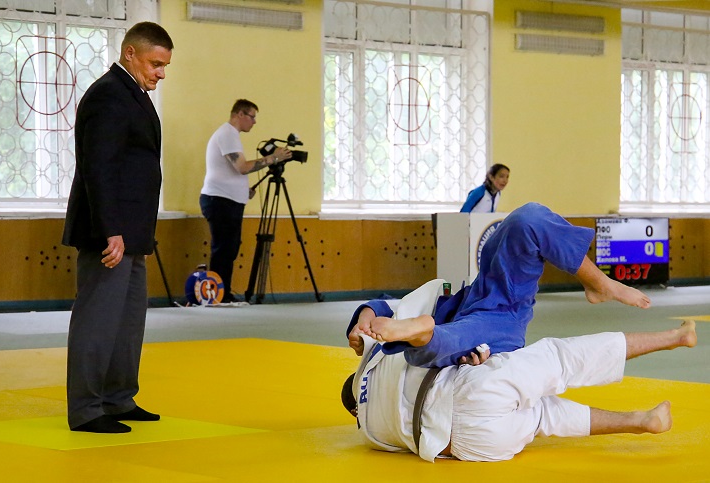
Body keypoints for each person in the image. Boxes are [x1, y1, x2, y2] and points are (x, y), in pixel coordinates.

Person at [342, 308, 697, 462]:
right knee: (563, 359)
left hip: (471, 446)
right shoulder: (374, 358)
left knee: (544, 417)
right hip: (466, 394)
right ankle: (675, 337)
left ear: (355, 410)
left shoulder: (369, 433)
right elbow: (425, 357)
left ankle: (642, 421)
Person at [348, 202, 651, 368]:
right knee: (438, 345)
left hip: (478, 294)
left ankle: (599, 284)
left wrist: (363, 320)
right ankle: (422, 332)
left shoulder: (370, 366)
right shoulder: (377, 401)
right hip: (498, 320)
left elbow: (386, 305)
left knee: (526, 220)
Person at [62, 22, 174, 433]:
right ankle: (87, 409)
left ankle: (117, 397)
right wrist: (110, 229)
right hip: (109, 233)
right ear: (130, 53)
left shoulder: (133, 95)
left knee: (127, 322)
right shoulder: (109, 94)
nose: (161, 73)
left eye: (165, 66)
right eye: (155, 63)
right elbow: (99, 167)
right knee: (98, 319)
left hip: (133, 233)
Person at [199, 99, 292, 303]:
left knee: (229, 248)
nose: (254, 122)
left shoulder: (229, 135)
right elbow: (241, 167)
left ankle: (222, 291)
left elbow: (230, 170)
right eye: (252, 117)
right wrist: (274, 158)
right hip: (220, 200)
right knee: (224, 249)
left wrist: (242, 189)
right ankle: (218, 294)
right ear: (240, 114)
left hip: (226, 199)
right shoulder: (227, 134)